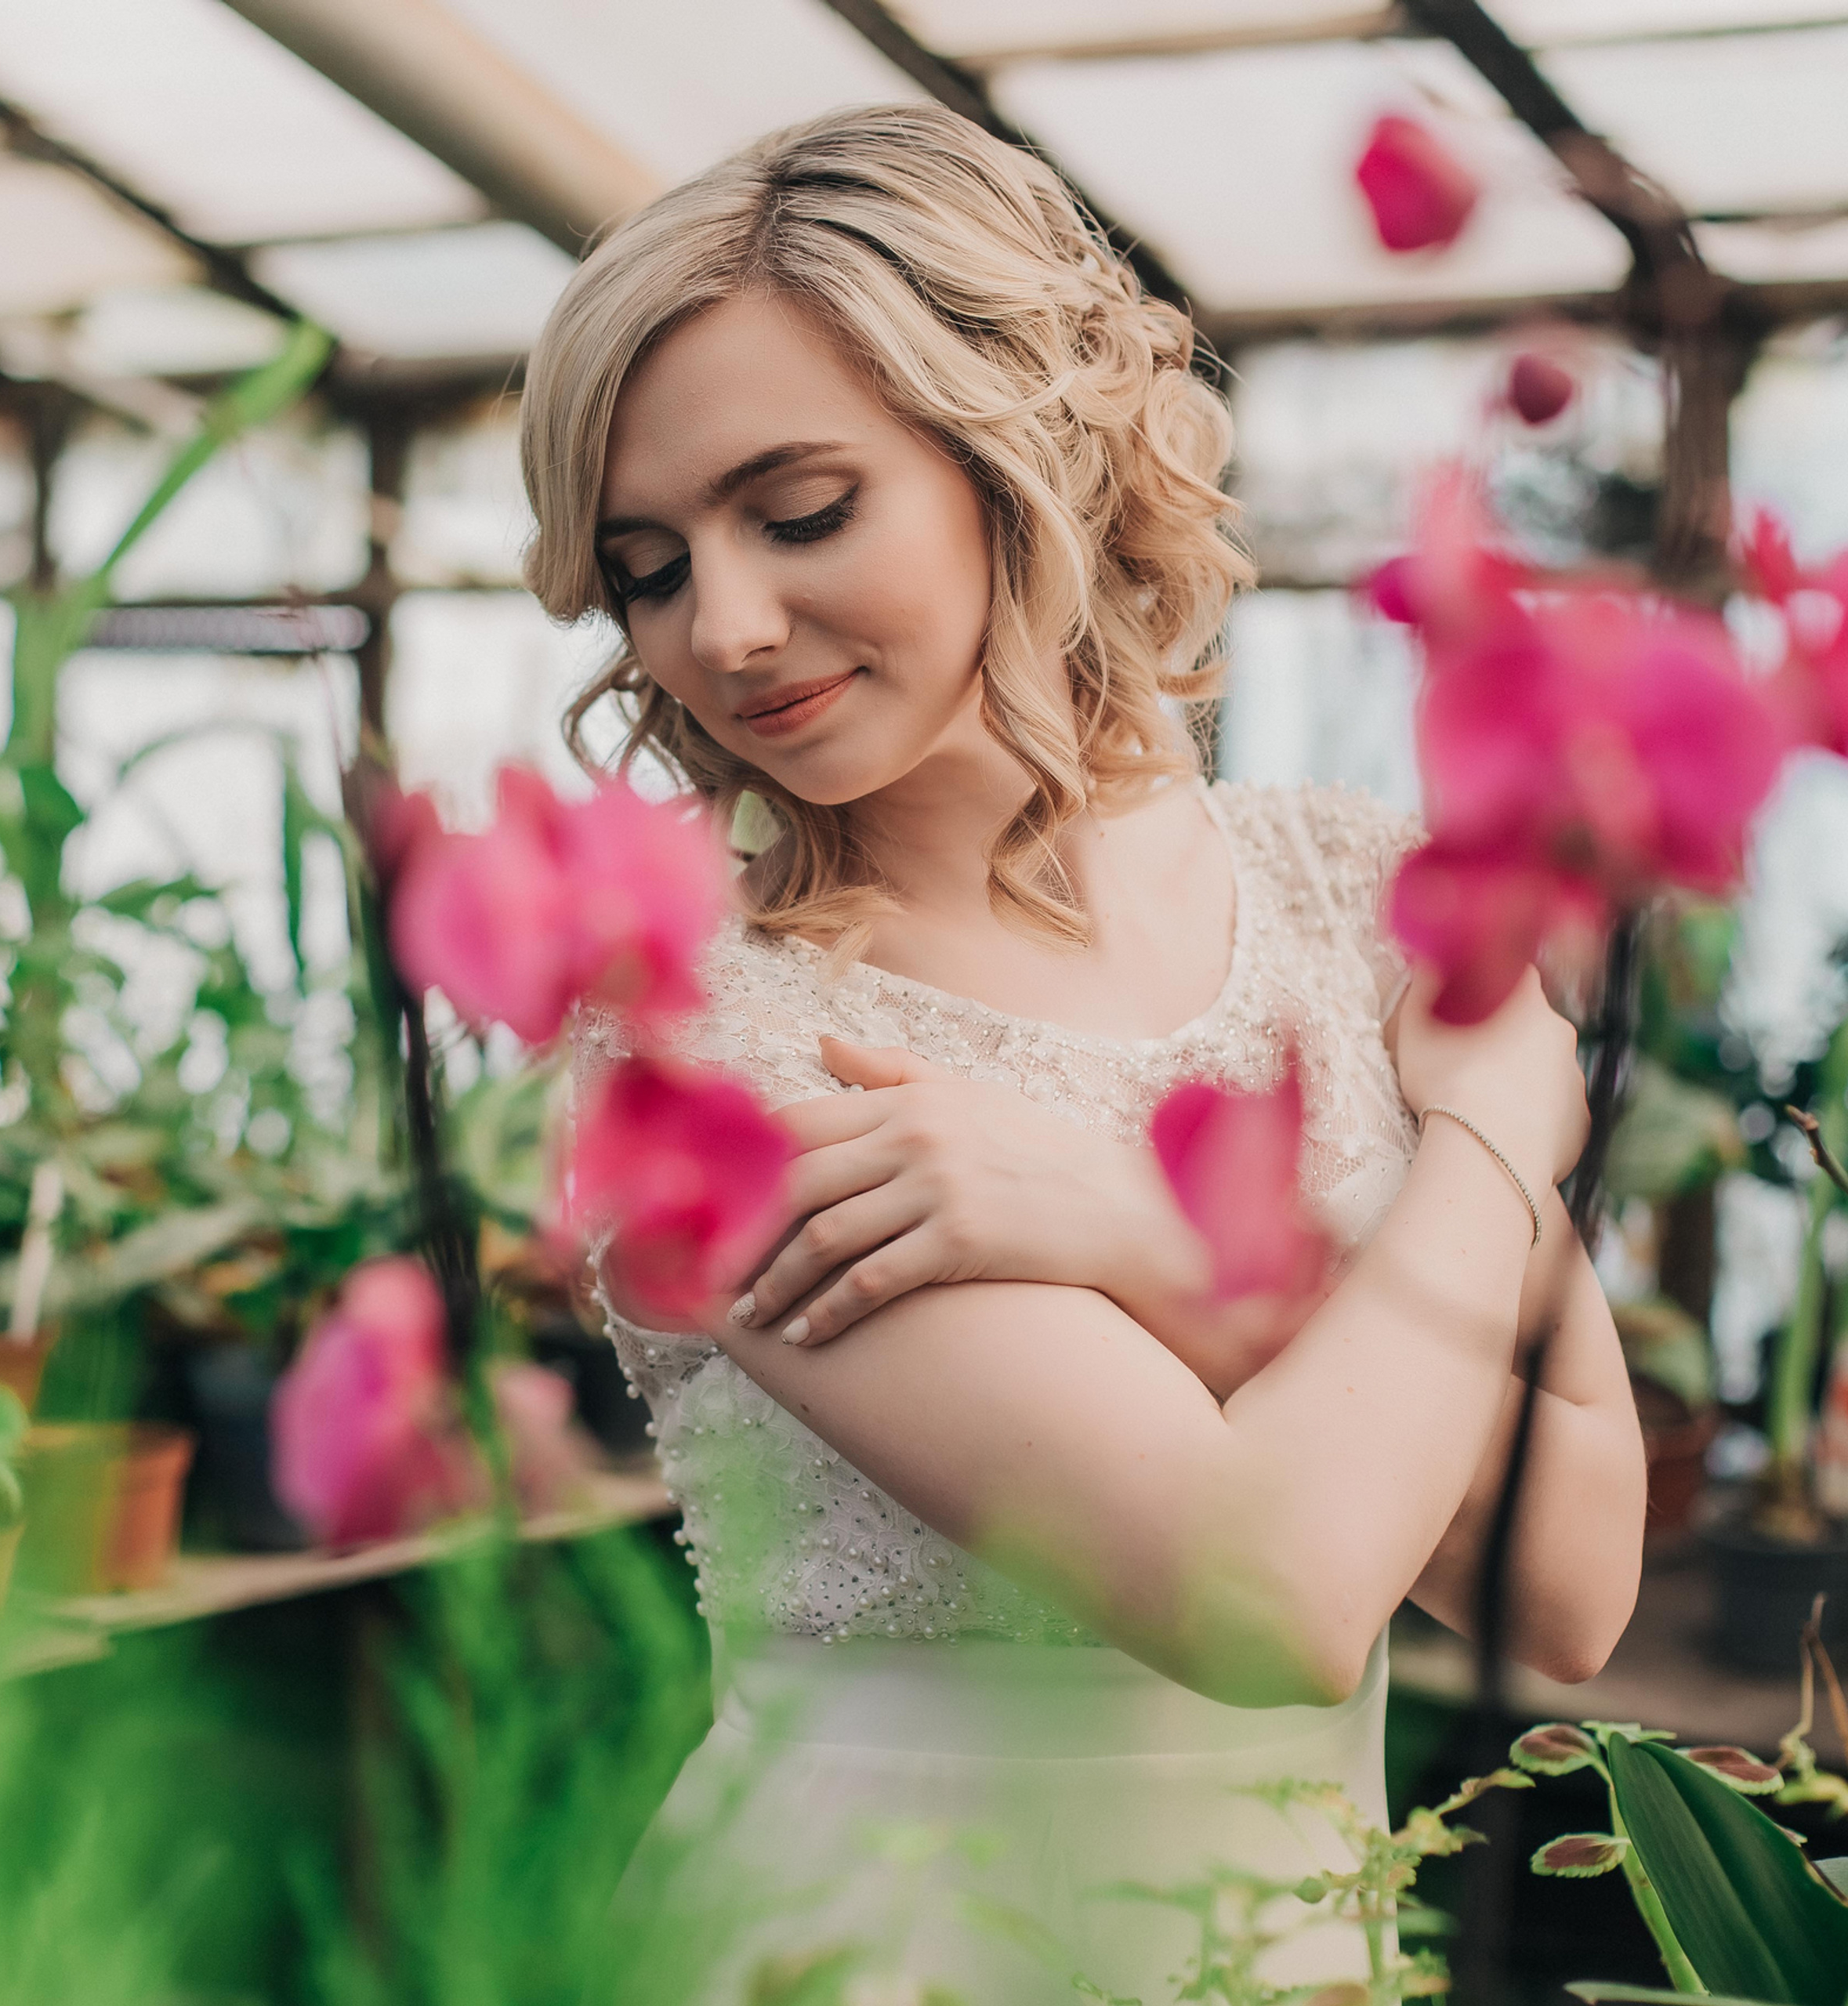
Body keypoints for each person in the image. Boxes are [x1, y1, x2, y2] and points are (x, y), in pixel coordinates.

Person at [522, 103, 1644, 2001]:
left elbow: (1563, 1582)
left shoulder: (1355, 891)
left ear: (1020, 459)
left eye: (799, 512)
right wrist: (1485, 1149)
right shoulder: (704, 1056)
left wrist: (1148, 1233)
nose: (719, 626)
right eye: (644, 565)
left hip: (1295, 1946)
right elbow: (1266, 1591)